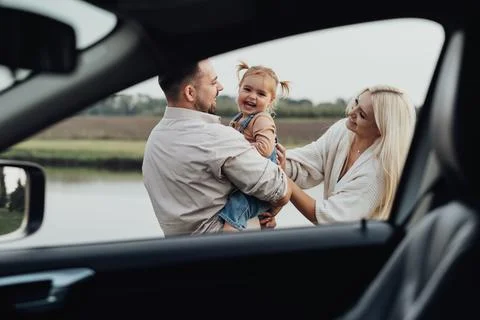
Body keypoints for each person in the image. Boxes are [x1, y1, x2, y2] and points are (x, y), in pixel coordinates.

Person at [142, 59, 292, 237]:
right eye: (213, 82)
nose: (220, 87)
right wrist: (279, 170)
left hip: (179, 252)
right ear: (190, 92)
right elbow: (281, 191)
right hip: (226, 251)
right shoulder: (218, 139)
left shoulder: (155, 139)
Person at [276, 85, 416, 224]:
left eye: (362, 115)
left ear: (380, 128)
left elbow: (330, 218)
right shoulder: (342, 131)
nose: (351, 113)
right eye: (356, 102)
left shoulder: (377, 172)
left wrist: (285, 183)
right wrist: (275, 160)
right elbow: (308, 164)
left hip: (358, 243)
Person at [218, 61, 290, 232]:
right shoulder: (237, 120)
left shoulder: (262, 119)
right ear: (239, 89)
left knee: (236, 209)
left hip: (260, 187)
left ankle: (228, 240)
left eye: (261, 93)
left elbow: (265, 149)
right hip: (250, 183)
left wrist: (238, 149)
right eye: (247, 89)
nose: (252, 96)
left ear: (270, 100)